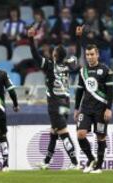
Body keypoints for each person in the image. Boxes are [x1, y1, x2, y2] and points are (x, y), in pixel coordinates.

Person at [27, 25, 81, 170]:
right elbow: (78, 54)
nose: (52, 53)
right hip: (66, 103)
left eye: (54, 52)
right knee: (54, 131)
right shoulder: (68, 65)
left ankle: (75, 162)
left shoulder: (50, 66)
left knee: (62, 131)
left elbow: (35, 55)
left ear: (55, 55)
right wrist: (79, 38)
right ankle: (46, 162)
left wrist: (31, 39)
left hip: (55, 104)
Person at [74, 31, 113, 174]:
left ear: (97, 55)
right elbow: (79, 91)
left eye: (92, 54)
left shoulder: (106, 70)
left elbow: (110, 92)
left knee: (100, 136)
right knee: (80, 134)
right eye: (87, 54)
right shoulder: (82, 71)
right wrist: (76, 108)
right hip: (85, 108)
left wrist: (108, 109)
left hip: (101, 109)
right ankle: (91, 159)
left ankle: (99, 166)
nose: (90, 57)